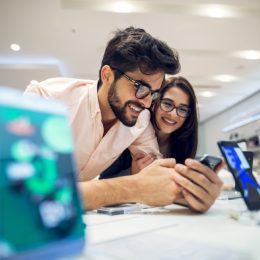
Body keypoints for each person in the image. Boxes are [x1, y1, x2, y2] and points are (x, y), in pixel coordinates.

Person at [24, 26, 183, 210]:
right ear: (107, 75)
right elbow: (29, 192)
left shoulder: (141, 120)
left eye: (154, 94)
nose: (147, 103)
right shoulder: (45, 100)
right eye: (140, 87)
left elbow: (157, 177)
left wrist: (193, 190)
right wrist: (133, 186)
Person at [100, 76, 224, 212]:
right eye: (167, 104)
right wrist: (133, 174)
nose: (173, 114)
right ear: (154, 103)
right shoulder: (131, 134)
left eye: (182, 109)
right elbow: (102, 184)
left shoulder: (182, 144)